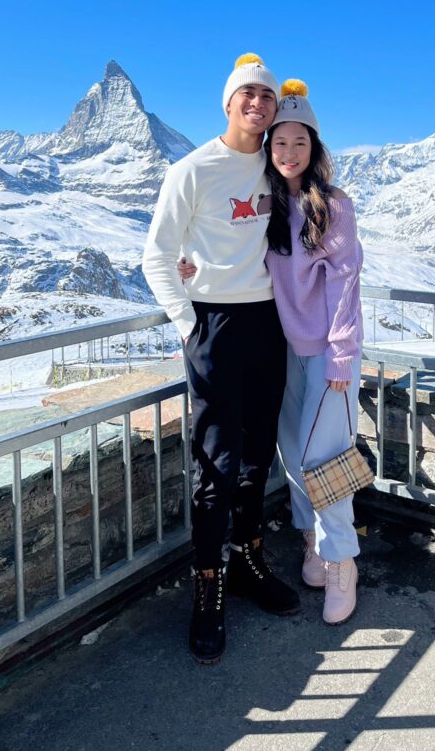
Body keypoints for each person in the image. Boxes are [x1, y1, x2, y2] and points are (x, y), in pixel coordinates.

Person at [180, 79, 364, 624]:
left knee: (321, 460)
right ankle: (312, 542)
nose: (287, 152)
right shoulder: (265, 204)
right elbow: (230, 249)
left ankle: (341, 562)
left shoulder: (332, 206)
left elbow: (345, 283)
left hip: (330, 355)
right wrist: (191, 269)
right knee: (292, 455)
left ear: (315, 148)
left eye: (298, 143)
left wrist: (340, 355)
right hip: (282, 349)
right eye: (279, 143)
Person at [142, 53, 300, 667]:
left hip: (268, 325)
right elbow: (157, 256)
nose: (257, 103)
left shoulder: (275, 163)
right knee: (216, 462)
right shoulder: (193, 169)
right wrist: (189, 326)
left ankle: (249, 562)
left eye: (266, 95)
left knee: (258, 454)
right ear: (228, 104)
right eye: (247, 95)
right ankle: (208, 586)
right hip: (214, 323)